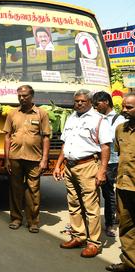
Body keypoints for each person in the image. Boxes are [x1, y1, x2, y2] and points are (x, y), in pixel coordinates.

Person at [53, 89, 111, 258]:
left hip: (88, 166)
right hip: (70, 166)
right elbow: (65, 144)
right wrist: (58, 165)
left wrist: (102, 171)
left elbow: (105, 147)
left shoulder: (99, 120)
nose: (78, 103)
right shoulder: (72, 117)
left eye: (82, 101)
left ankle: (94, 243)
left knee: (91, 207)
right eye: (76, 101)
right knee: (73, 203)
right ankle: (78, 236)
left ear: (90, 102)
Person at [3, 85, 51, 233]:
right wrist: (6, 159)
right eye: (20, 96)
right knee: (15, 189)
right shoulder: (12, 114)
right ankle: (16, 218)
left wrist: (44, 159)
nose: (22, 98)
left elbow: (46, 138)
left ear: (32, 96)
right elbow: (7, 137)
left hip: (34, 159)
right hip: (15, 157)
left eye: (25, 96)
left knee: (33, 190)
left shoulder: (41, 114)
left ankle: (33, 221)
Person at [106, 93, 135, 272]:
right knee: (126, 226)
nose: (124, 110)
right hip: (124, 186)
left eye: (129, 107)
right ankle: (130, 262)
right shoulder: (120, 129)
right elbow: (118, 152)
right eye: (123, 106)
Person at [92, 91, 127, 237]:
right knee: (94, 192)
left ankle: (111, 223)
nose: (95, 107)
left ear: (106, 101)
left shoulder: (119, 120)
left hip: (112, 162)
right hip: (96, 161)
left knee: (109, 194)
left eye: (97, 104)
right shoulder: (96, 118)